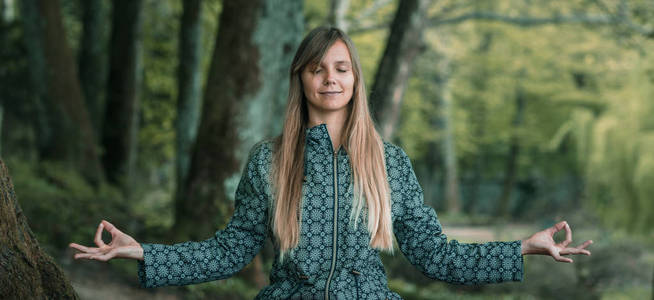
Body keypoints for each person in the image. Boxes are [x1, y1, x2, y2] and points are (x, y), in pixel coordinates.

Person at [70, 27, 593, 299]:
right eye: (318, 68)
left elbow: (434, 255)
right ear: (301, 77)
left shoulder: (389, 162)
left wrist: (522, 249)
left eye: (342, 68)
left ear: (355, 79)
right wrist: (144, 254)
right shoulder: (269, 162)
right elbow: (230, 251)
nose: (331, 79)